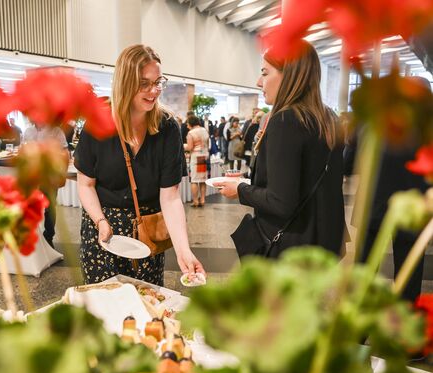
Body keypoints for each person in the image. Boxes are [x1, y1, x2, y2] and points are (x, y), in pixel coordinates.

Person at [74, 44, 205, 285]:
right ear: (125, 82)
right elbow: (85, 185)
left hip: (147, 233)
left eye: (158, 82)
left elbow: (171, 197)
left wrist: (183, 250)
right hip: (104, 232)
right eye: (144, 83)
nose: (154, 91)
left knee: (148, 305)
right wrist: (100, 221)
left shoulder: (167, 128)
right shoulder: (97, 124)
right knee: (105, 306)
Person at [215, 40, 345, 259]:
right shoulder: (328, 118)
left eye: (265, 73)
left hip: (289, 247)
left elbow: (281, 202)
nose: (258, 82)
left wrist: (239, 190)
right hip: (321, 242)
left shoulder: (286, 120)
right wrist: (247, 181)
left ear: (290, 74)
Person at [356, 77, 431, 302]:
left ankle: (358, 327)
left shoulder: (375, 123)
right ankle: (401, 330)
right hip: (413, 211)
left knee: (364, 275)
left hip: (373, 208)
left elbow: (352, 159)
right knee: (409, 277)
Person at [23, 123, 70, 247]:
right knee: (29, 207)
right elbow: (22, 151)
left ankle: (49, 236)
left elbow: (65, 153)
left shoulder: (56, 131)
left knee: (50, 208)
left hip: (50, 177)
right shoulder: (28, 131)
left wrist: (63, 175)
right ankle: (31, 237)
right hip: (31, 176)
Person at [185, 115, 209, 207]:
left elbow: (190, 147)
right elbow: (207, 144)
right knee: (203, 179)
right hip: (204, 156)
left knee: (194, 180)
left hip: (196, 157)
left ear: (191, 123)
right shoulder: (204, 130)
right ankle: (202, 200)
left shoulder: (191, 133)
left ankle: (195, 201)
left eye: (187, 123)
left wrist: (183, 146)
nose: (187, 126)